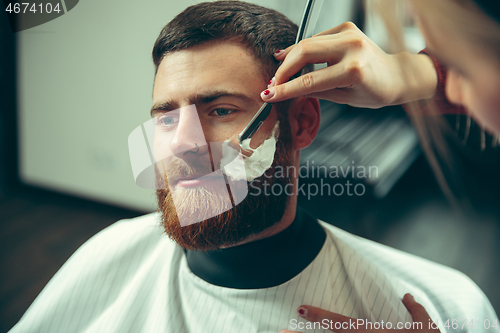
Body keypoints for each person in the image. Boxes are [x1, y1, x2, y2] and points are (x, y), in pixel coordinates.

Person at [9, 1, 498, 333]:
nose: (182, 145)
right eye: (166, 117)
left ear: (302, 121)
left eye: (220, 110)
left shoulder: (444, 305)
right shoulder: (108, 257)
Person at [260, 0, 500, 332]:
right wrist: (415, 73)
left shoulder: (459, 300)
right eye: (166, 116)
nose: (452, 90)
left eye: (462, 66)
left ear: (304, 121)